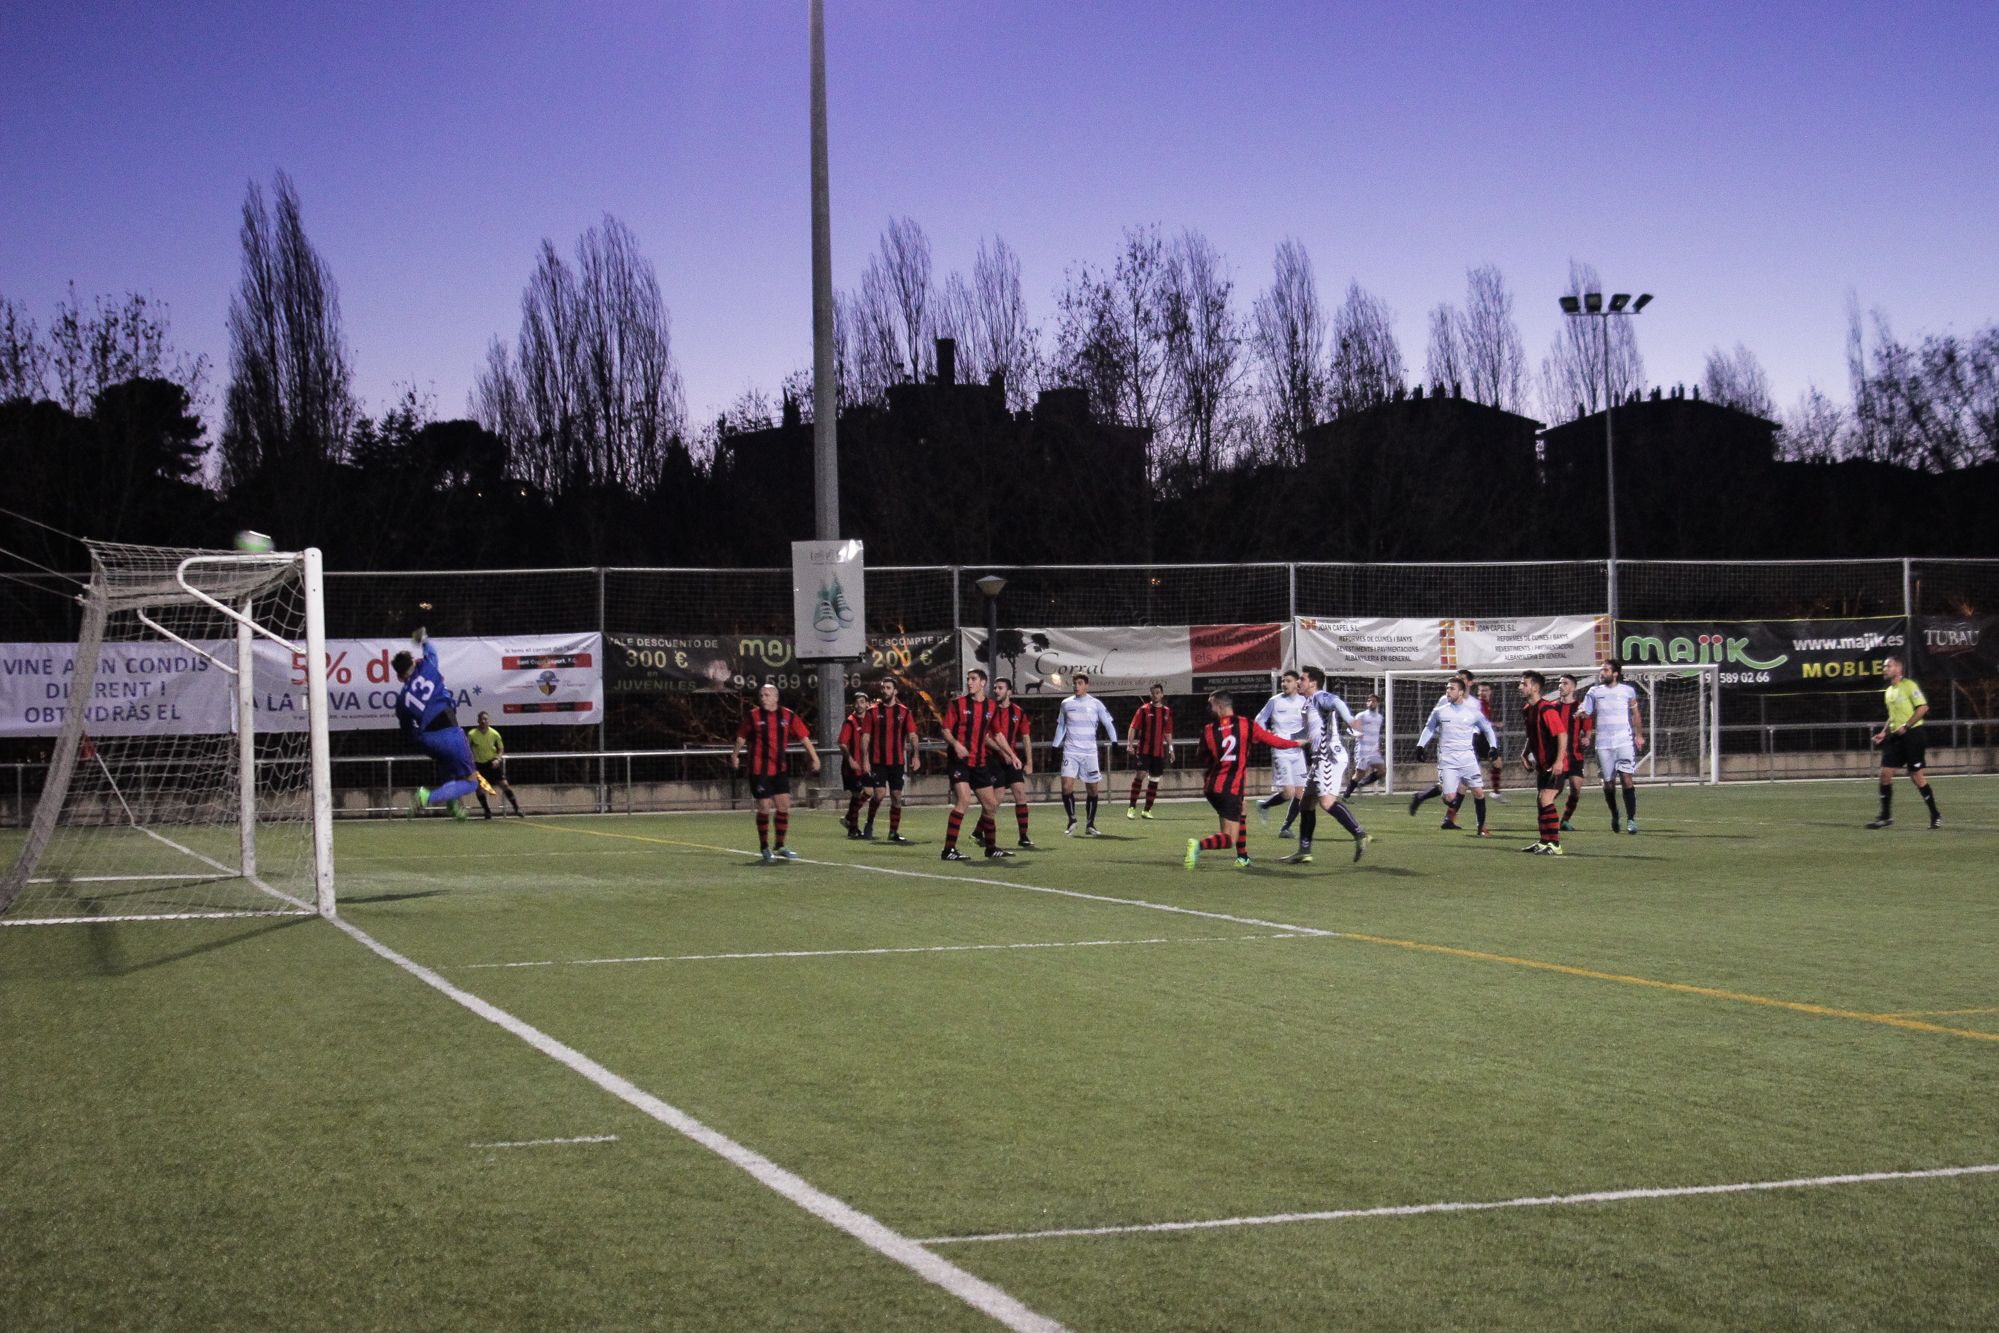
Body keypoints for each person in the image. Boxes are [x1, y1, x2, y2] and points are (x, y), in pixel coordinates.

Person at [1185, 691, 1302, 869]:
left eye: (1211, 704)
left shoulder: (1208, 730)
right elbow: (1274, 741)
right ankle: (1198, 845)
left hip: (1212, 786)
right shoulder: (1246, 725)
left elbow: (1200, 757)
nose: (1210, 708)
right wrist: (1297, 743)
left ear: (1220, 706)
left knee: (1243, 807)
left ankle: (1243, 857)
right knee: (1228, 838)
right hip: (1229, 790)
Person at [393, 629, 481, 820]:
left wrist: (424, 740)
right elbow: (431, 649)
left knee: (447, 763)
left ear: (400, 678)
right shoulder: (427, 667)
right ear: (414, 663)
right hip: (448, 731)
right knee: (471, 782)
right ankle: (427, 797)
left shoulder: (401, 701)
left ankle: (452, 804)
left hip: (428, 739)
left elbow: (408, 731)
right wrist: (422, 639)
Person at [731, 682, 821, 863]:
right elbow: (741, 736)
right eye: (761, 695)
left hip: (779, 769)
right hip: (759, 770)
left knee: (783, 806)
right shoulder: (753, 716)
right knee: (764, 806)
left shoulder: (787, 715)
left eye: (766, 695)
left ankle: (780, 845)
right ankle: (764, 846)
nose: (763, 698)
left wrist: (815, 757)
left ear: (776, 697)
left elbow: (804, 736)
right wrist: (735, 755)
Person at [1286, 669, 1370, 864]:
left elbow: (1336, 701)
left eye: (1302, 679)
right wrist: (1282, 738)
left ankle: (1360, 834)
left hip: (1329, 756)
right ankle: (1304, 851)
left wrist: (1350, 720)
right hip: (1319, 759)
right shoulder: (1308, 704)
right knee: (1305, 803)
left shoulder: (1319, 697)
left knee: (1326, 802)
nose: (1299, 682)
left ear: (1313, 683)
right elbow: (1307, 732)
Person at [939, 668, 1016, 862]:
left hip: (979, 762)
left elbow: (997, 734)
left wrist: (1011, 754)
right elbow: (946, 730)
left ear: (983, 682)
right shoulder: (957, 704)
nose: (969, 682)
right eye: (968, 679)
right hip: (959, 761)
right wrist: (956, 744)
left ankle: (991, 848)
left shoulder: (991, 707)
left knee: (990, 805)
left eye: (973, 679)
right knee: (964, 800)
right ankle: (948, 850)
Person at [1408, 677, 1499, 835]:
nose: (1448, 691)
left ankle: (1481, 827)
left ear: (1461, 692)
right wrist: (1420, 746)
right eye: (1447, 688)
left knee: (1478, 791)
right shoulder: (1440, 711)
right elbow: (1429, 728)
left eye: (1452, 688)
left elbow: (1488, 729)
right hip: (1448, 759)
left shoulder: (1473, 713)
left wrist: (1493, 747)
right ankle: (1444, 807)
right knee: (1450, 797)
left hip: (1468, 758)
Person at [1869, 654, 1942, 830]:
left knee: (1916, 776)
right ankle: (1885, 816)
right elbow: (1892, 715)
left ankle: (1935, 814)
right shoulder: (1889, 691)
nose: (1885, 669)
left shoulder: (1909, 686)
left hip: (1913, 735)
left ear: (1899, 669)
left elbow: (1923, 707)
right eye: (1884, 667)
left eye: (1889, 666)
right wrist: (1883, 732)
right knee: (1885, 773)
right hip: (1895, 737)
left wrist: (1907, 726)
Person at [1579, 659, 1645, 834]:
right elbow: (1587, 712)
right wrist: (1580, 714)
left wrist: (1638, 735)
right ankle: (1615, 813)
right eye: (1602, 670)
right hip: (1603, 743)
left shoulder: (1628, 691)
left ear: (1615, 674)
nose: (1602, 673)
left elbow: (1635, 714)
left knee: (1626, 779)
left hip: (1624, 741)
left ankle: (1631, 819)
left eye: (1606, 670)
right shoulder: (1594, 691)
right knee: (1608, 784)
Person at [1053, 671, 1118, 836]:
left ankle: (1090, 824)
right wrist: (1055, 746)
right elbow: (1061, 726)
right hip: (1071, 751)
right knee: (1066, 786)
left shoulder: (1095, 704)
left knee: (1093, 790)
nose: (1076, 686)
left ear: (1086, 685)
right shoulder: (1066, 703)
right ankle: (1072, 819)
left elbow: (1108, 724)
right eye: (1074, 683)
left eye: (1080, 683)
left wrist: (1115, 742)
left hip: (1089, 753)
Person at [1517, 671, 1570, 856]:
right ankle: (1544, 841)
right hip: (1542, 765)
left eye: (1524, 684)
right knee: (1541, 801)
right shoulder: (1527, 709)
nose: (1520, 687)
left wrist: (1558, 761)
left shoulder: (1546, 709)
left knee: (1546, 798)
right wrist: (1525, 754)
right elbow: (1532, 735)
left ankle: (1555, 844)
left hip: (1555, 764)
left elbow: (1562, 735)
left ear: (1535, 687)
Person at [1254, 671, 1312, 838]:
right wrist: (1268, 736)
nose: (1284, 684)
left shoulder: (1304, 701)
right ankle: (1264, 806)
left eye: (1288, 681)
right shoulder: (1275, 701)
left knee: (1301, 793)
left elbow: (1309, 724)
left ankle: (1285, 828)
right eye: (1282, 681)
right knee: (1288, 793)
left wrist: (1306, 737)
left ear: (1296, 684)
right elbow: (1259, 720)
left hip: (1297, 751)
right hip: (1281, 750)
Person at [864, 677, 920, 843]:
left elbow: (913, 735)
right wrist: (865, 759)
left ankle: (893, 832)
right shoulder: (872, 712)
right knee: (879, 794)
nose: (885, 691)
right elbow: (866, 737)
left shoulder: (904, 712)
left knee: (896, 796)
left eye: (888, 688)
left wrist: (916, 755)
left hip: (896, 762)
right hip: (878, 761)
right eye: (883, 688)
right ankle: (869, 822)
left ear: (895, 691)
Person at [990, 677, 1036, 848]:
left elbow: (1026, 738)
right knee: (996, 799)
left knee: (1020, 794)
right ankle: (979, 832)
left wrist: (1029, 762)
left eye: (1000, 688)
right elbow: (988, 738)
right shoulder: (990, 710)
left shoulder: (1018, 712)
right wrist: (1002, 752)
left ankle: (1023, 836)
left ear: (1009, 691)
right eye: (995, 688)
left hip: (1012, 760)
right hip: (993, 760)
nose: (996, 691)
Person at [1125, 682, 1173, 819]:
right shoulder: (1143, 710)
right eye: (1153, 693)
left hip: (1158, 752)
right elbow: (1133, 727)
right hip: (1144, 750)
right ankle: (1132, 807)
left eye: (1158, 692)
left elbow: (1168, 731)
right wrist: (1130, 744)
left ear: (1162, 694)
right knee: (1139, 776)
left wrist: (1171, 748)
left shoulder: (1167, 712)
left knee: (1154, 780)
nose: (1155, 695)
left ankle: (1147, 810)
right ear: (1150, 694)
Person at [465, 710, 524, 818]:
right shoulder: (472, 734)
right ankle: (487, 811)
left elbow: (501, 749)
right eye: (481, 719)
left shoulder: (494, 733)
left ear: (488, 720)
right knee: (479, 789)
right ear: (478, 720)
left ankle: (517, 808)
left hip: (492, 764)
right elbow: (466, 749)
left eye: (485, 719)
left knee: (505, 785)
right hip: (479, 765)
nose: (483, 721)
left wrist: (498, 759)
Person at [1555, 673, 1591, 830]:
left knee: (1576, 789)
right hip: (1557, 756)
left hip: (1575, 754)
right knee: (1555, 789)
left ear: (1573, 687)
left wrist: (1587, 738)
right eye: (1560, 683)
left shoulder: (1580, 708)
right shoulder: (1553, 707)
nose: (1561, 686)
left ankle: (1565, 821)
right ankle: (1544, 814)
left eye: (1565, 683)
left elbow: (1588, 729)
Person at [836, 690, 873, 839]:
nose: (859, 705)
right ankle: (853, 829)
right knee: (857, 794)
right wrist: (850, 759)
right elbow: (842, 743)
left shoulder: (870, 721)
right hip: (851, 766)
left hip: (865, 765)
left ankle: (849, 818)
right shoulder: (850, 722)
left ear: (867, 704)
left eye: (862, 702)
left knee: (869, 792)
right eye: (857, 702)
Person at [1343, 693, 1386, 798]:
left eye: (1374, 701)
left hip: (1374, 751)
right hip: (1362, 750)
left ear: (1377, 703)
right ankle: (1346, 795)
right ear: (1367, 703)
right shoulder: (1361, 716)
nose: (1371, 703)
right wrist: (1357, 733)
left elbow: (1375, 734)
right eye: (1369, 700)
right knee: (1359, 774)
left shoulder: (1380, 717)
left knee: (1382, 771)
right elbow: (1350, 728)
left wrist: (1377, 747)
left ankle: (1363, 783)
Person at [1477, 682, 1507, 801]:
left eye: (1485, 690)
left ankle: (1495, 792)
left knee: (1497, 763)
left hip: (1485, 739)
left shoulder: (1487, 704)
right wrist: (1496, 724)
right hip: (1477, 739)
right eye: (1480, 690)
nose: (1482, 693)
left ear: (1490, 692)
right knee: (1470, 771)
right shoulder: (1478, 705)